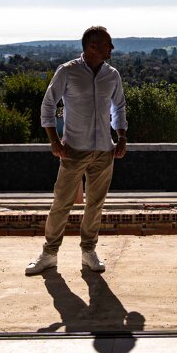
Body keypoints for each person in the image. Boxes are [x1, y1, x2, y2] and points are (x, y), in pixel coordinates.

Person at [26, 26, 127, 276]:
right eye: (108, 43)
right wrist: (54, 141)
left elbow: (119, 107)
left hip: (104, 151)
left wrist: (122, 136)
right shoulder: (67, 71)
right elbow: (48, 105)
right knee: (61, 203)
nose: (112, 48)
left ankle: (88, 252)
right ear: (92, 46)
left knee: (95, 204)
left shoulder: (112, 75)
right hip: (73, 150)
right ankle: (49, 254)